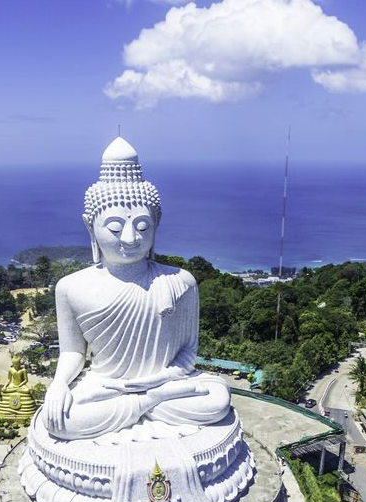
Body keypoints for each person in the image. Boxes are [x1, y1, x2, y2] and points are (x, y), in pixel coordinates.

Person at [42, 137, 231, 441]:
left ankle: (143, 404)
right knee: (60, 419)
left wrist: (159, 380)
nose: (130, 238)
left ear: (157, 224)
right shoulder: (70, 287)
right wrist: (59, 384)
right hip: (107, 386)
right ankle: (146, 406)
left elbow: (187, 353)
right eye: (115, 228)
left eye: (143, 227)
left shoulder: (181, 282)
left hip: (165, 384)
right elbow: (74, 351)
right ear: (90, 227)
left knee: (217, 400)